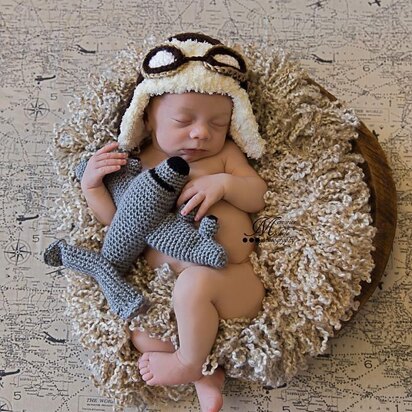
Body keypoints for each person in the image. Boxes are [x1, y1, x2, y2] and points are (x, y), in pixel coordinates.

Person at [80, 33, 267, 412]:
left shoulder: (225, 156)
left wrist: (227, 184)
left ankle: (189, 363)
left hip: (232, 278)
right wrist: (92, 188)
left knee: (193, 286)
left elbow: (259, 195)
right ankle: (205, 376)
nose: (201, 133)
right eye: (183, 120)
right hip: (171, 292)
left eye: (218, 123)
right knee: (146, 338)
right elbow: (120, 227)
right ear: (147, 117)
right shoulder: (139, 166)